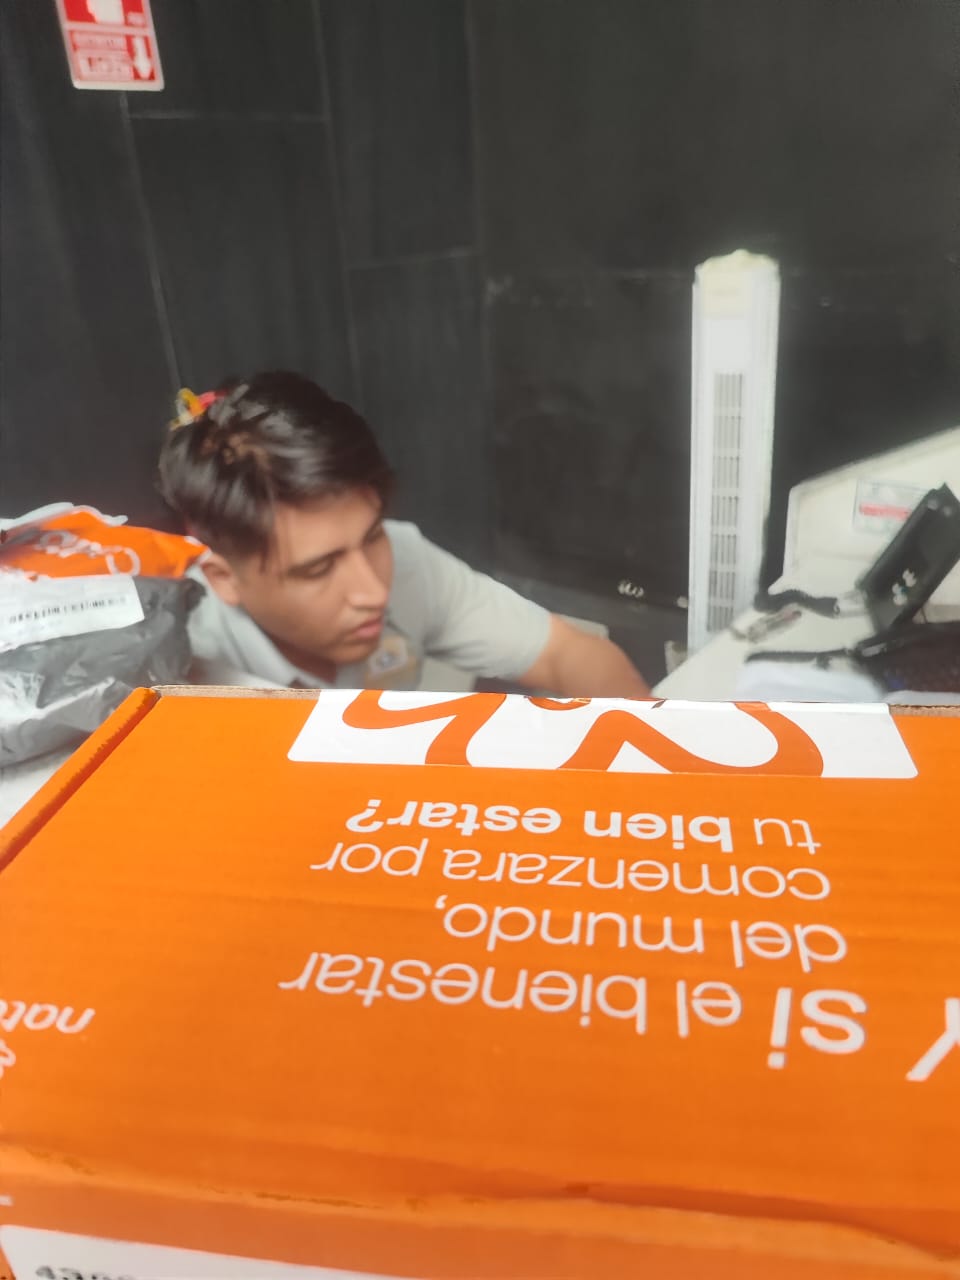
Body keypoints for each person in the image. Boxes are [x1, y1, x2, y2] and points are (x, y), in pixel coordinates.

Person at [158, 371, 651, 697]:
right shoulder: (178, 660)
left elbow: (568, 655)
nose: (373, 591)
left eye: (373, 535)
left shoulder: (406, 558)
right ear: (224, 579)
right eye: (319, 568)